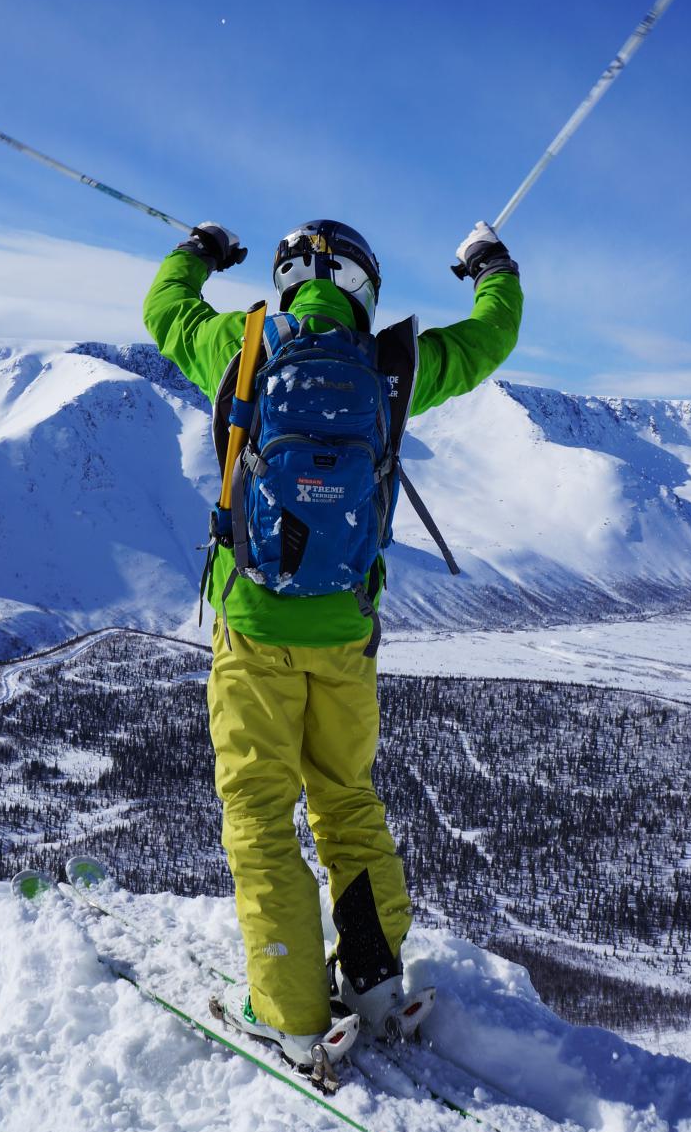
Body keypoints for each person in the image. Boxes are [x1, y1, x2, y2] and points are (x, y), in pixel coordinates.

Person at [143, 218, 522, 1075]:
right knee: (347, 797)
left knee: (259, 816)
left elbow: (165, 308)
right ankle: (378, 981)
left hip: (255, 628)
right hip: (348, 631)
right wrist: (489, 267)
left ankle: (293, 1011)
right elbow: (493, 335)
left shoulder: (239, 347)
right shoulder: (393, 367)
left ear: (287, 281)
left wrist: (200, 251)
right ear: (364, 287)